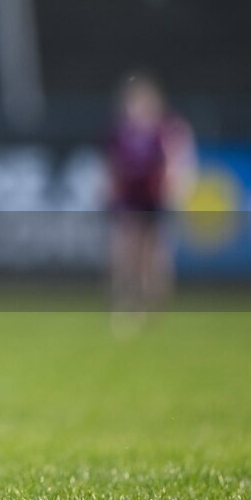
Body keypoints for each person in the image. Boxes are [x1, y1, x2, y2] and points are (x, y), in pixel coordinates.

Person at [104, 73, 196, 321]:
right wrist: (111, 190)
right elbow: (114, 166)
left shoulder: (164, 130)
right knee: (127, 250)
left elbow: (174, 163)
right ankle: (129, 300)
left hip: (153, 198)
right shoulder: (120, 132)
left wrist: (173, 187)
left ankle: (154, 300)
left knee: (153, 252)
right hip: (130, 199)